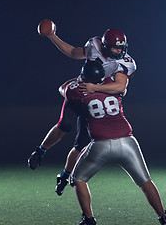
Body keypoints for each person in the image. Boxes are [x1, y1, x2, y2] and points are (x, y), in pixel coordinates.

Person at [28, 22, 136, 196]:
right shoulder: (94, 45)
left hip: (97, 97)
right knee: (65, 125)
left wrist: (94, 88)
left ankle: (64, 176)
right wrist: (52, 36)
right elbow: (72, 52)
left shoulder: (126, 62)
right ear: (105, 45)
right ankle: (40, 150)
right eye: (115, 48)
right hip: (81, 88)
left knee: (81, 145)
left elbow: (120, 87)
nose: (119, 51)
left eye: (120, 48)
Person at [63, 61, 166, 225]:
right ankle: (164, 218)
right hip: (127, 142)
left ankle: (89, 219)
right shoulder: (114, 85)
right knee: (145, 181)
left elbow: (63, 89)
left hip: (100, 145)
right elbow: (121, 87)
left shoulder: (77, 90)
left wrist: (83, 81)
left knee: (77, 179)